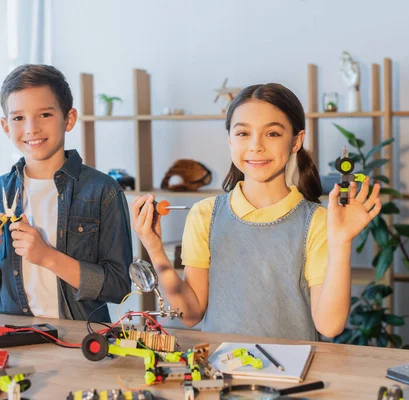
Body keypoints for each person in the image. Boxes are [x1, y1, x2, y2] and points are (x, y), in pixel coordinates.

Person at [131, 83, 381, 340]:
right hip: (218, 372)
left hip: (292, 375)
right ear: (229, 139)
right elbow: (190, 314)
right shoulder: (204, 214)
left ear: (296, 141)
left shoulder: (317, 221)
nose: (256, 146)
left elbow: (329, 326)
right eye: (242, 134)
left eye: (272, 133)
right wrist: (154, 247)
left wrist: (341, 242)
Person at [0, 64, 132, 321]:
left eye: (45, 114)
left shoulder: (104, 191)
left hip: (82, 341)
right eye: (19, 118)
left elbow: (118, 286)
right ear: (5, 126)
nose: (31, 128)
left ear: (69, 119)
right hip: (14, 337)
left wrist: (47, 257)